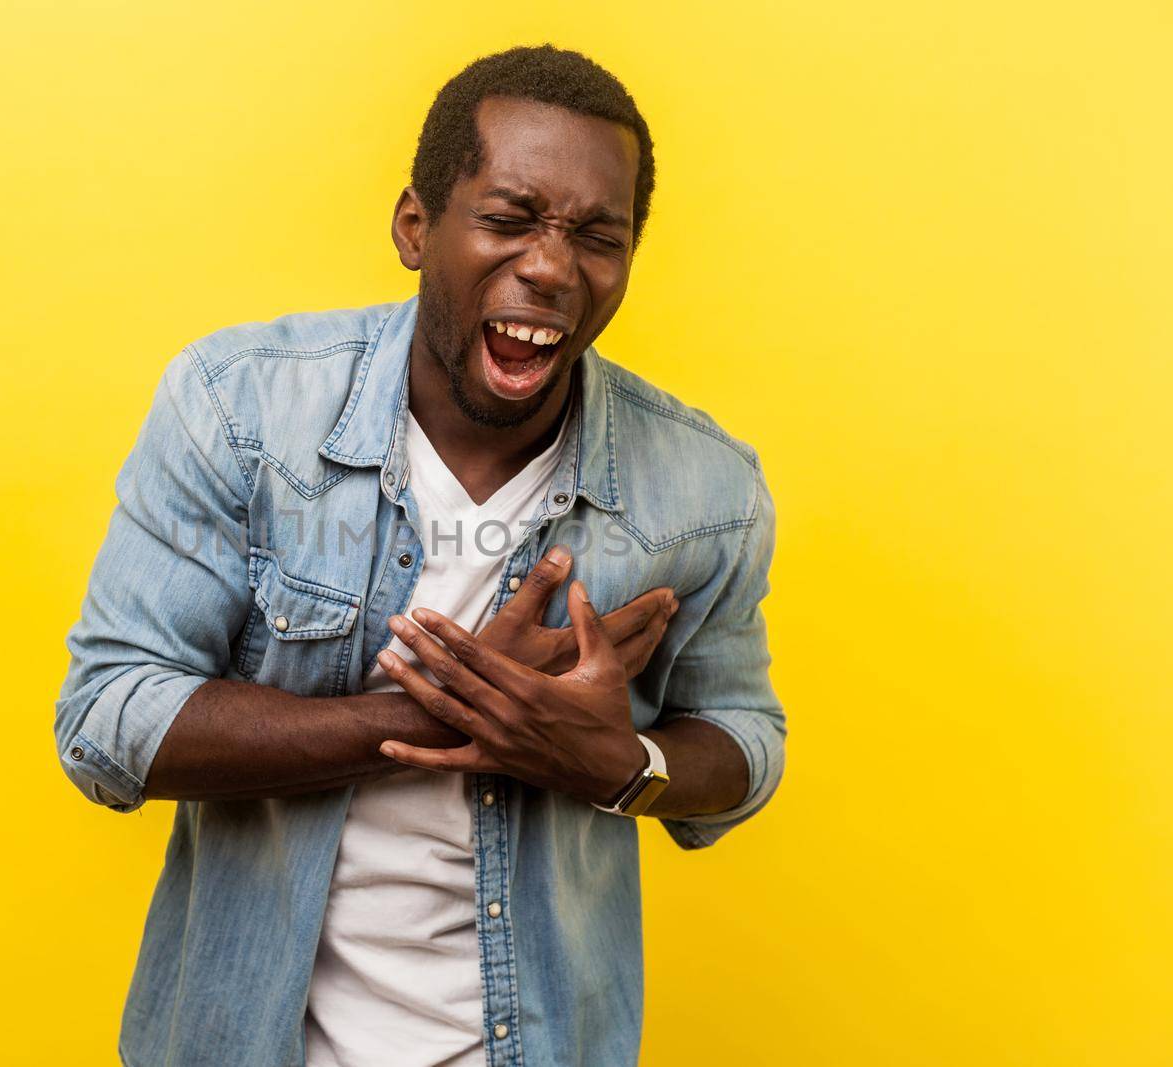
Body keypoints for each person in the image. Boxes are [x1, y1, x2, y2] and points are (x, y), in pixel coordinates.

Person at [55, 43, 786, 1067]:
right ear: (415, 225)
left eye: (596, 236)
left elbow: (744, 745)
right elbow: (106, 722)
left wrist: (619, 764)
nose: (550, 266)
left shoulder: (701, 492)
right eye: (508, 218)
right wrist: (446, 713)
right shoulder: (241, 408)